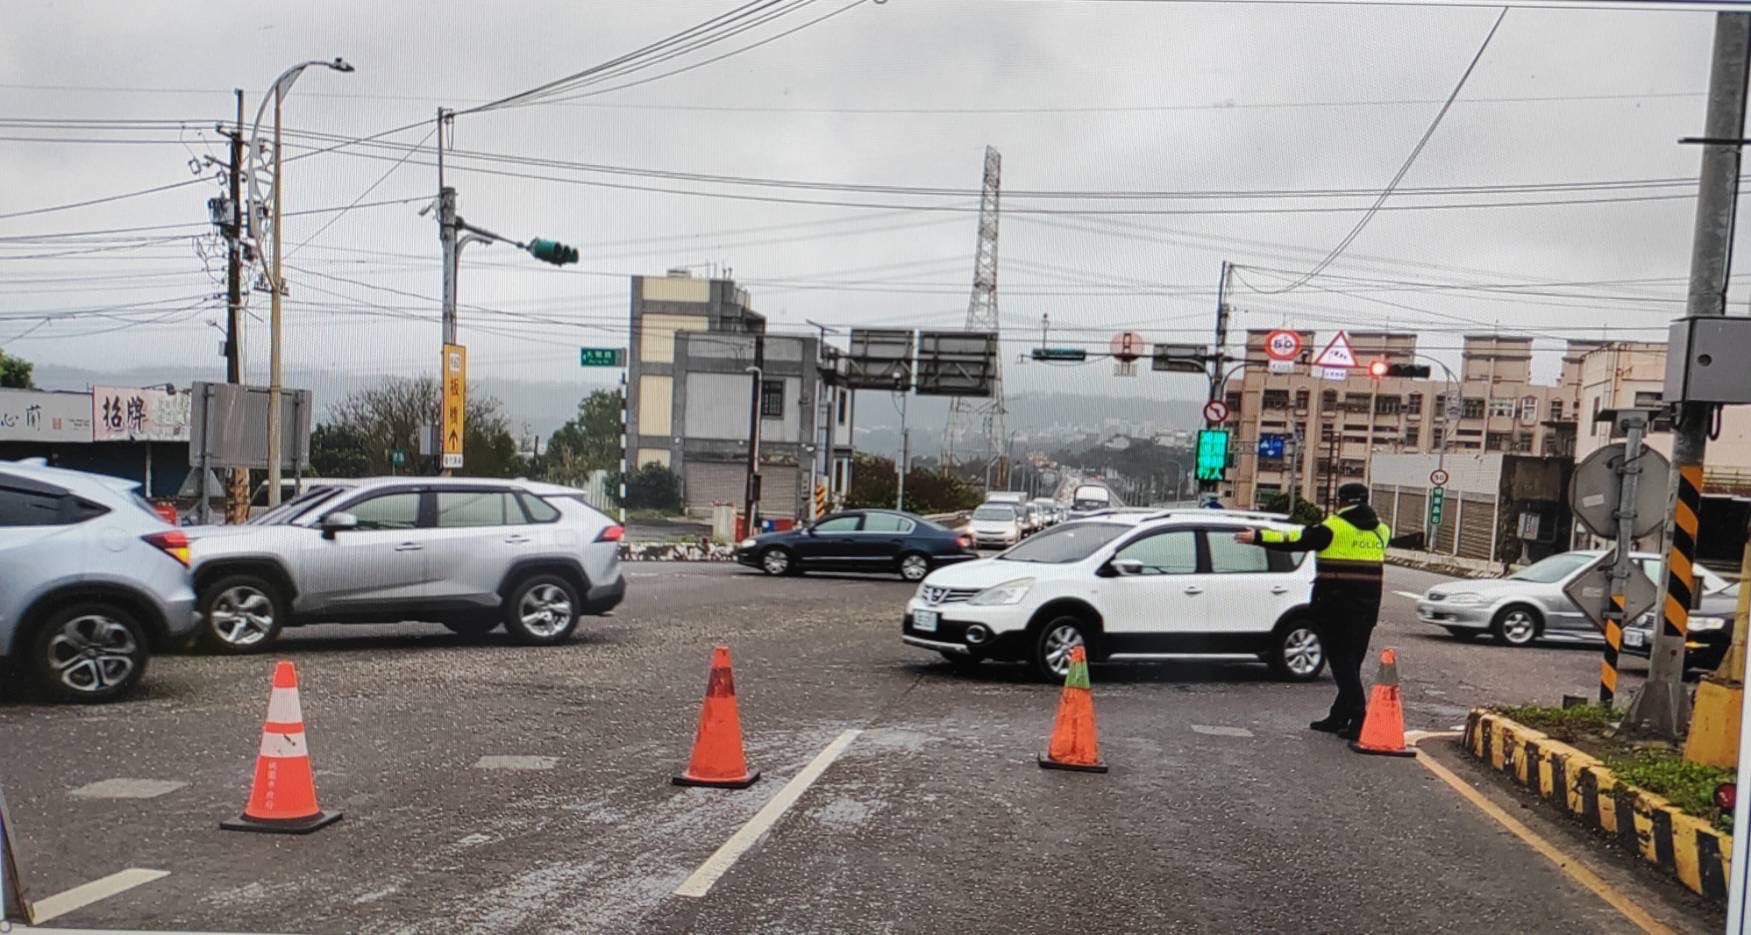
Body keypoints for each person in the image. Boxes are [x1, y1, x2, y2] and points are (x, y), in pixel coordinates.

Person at [1234, 482, 1391, 740]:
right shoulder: (1381, 531)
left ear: (1342, 501)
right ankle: (1339, 716)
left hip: (1336, 605)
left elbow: (1297, 540)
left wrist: (1258, 537)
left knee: (1341, 663)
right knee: (1352, 663)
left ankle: (1359, 716)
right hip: (1367, 607)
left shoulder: (1334, 527)